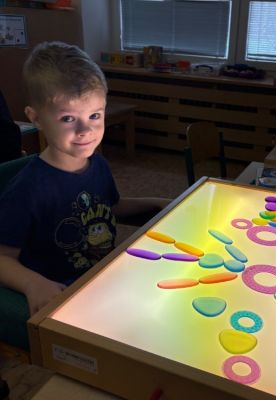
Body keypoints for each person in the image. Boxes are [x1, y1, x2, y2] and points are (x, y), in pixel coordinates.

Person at [0, 41, 170, 319]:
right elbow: (2, 257)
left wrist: (159, 203)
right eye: (68, 118)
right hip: (63, 298)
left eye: (94, 115)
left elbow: (110, 207)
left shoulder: (97, 164)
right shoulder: (28, 189)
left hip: (102, 278)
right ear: (36, 118)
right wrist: (33, 284)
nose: (85, 130)